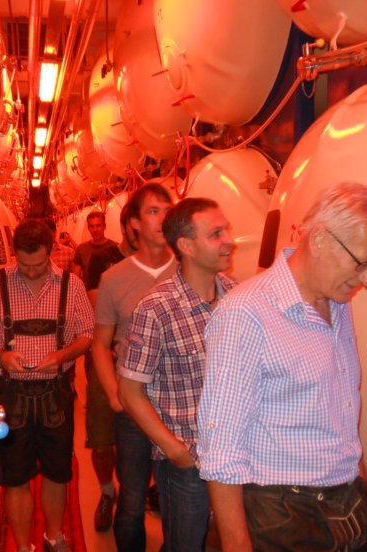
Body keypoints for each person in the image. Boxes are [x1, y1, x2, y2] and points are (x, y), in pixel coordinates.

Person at [197, 182, 367, 552]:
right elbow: (220, 447)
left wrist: (360, 487)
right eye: (362, 264)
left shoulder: (337, 304)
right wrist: (236, 544)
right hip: (281, 514)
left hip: (346, 502)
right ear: (319, 240)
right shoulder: (246, 314)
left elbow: (342, 412)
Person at [0, 219, 94, 552]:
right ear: (14, 254)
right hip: (10, 394)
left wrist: (63, 355)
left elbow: (86, 335)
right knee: (14, 476)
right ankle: (24, 547)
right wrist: (0, 356)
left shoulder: (72, 285)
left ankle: (55, 537)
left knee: (57, 472)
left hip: (56, 393)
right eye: (24, 265)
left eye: (38, 264)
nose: (32, 271)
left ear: (50, 252)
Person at [118, 198, 237, 551]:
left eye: (226, 230)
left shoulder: (236, 295)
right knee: (185, 545)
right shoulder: (156, 310)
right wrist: (174, 450)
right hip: (187, 463)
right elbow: (129, 392)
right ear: (186, 246)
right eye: (216, 233)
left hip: (236, 454)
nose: (229, 240)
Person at [92, 183, 177, 551]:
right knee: (131, 499)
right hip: (134, 404)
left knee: (181, 500)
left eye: (168, 210)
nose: (162, 219)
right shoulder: (114, 279)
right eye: (153, 211)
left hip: (180, 406)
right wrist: (115, 396)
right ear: (134, 224)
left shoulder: (190, 270)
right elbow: (100, 343)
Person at [81, 204, 138, 532]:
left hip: (143, 362)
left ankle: (133, 496)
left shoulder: (161, 263)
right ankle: (106, 492)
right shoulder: (103, 260)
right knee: (102, 439)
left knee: (141, 439)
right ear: (128, 225)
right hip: (106, 357)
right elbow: (97, 303)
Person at [73, 211, 117, 278]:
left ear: (104, 226)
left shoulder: (115, 248)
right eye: (92, 226)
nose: (95, 230)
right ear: (88, 228)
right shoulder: (82, 249)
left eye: (98, 226)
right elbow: (75, 277)